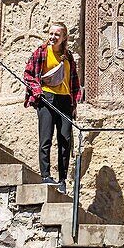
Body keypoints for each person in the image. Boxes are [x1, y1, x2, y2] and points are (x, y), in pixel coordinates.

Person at [23, 22, 81, 193]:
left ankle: (62, 180)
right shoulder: (41, 52)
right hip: (46, 97)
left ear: (64, 38)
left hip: (65, 100)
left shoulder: (68, 56)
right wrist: (37, 90)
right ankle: (46, 175)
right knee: (46, 139)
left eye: (57, 34)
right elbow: (28, 74)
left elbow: (74, 82)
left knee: (65, 140)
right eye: (51, 33)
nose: (53, 37)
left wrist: (74, 103)